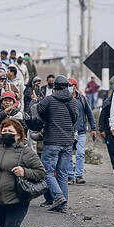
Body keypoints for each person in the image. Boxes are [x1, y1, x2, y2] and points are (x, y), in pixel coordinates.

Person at [36, 75, 77, 212]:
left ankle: (58, 197)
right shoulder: (73, 101)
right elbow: (75, 119)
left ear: (55, 87)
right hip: (68, 142)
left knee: (46, 172)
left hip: (52, 141)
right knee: (62, 174)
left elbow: (38, 113)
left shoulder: (49, 100)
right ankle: (63, 205)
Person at [68, 78, 97, 185]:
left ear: (75, 86)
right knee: (69, 154)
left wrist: (93, 128)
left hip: (81, 132)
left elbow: (89, 114)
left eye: (71, 85)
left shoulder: (82, 99)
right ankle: (70, 176)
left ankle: (79, 175)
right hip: (68, 132)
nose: (69, 87)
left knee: (80, 153)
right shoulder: (65, 99)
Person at [98, 88, 114, 173]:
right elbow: (102, 117)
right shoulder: (107, 103)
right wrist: (102, 129)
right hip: (109, 130)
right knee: (112, 149)